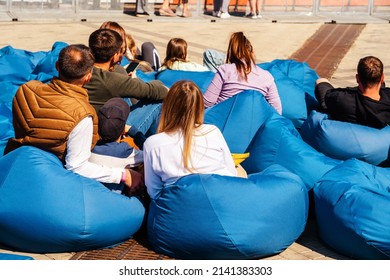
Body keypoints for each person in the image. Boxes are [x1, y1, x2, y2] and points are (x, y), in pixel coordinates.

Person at [4, 44, 144, 192]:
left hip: (15, 164)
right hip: (50, 181)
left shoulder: (25, 90)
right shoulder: (82, 115)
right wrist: (123, 175)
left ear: (57, 66)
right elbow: (77, 166)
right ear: (88, 77)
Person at [143, 80, 239, 200]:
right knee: (240, 170)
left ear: (167, 106)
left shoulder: (153, 144)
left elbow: (155, 193)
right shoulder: (213, 132)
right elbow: (232, 174)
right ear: (200, 107)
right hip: (221, 202)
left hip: (178, 210)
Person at [85, 28, 168, 135]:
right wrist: (157, 83)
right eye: (121, 52)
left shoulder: (81, 71)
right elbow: (155, 91)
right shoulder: (112, 79)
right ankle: (149, 145)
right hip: (108, 133)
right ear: (115, 56)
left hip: (92, 124)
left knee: (125, 98)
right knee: (157, 102)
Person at [203, 32, 282, 114]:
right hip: (252, 123)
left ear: (231, 54)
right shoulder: (267, 76)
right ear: (252, 52)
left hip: (220, 120)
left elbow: (208, 102)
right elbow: (277, 110)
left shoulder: (225, 70)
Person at [90, 98, 147, 195]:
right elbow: (150, 152)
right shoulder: (125, 152)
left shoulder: (87, 146)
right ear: (122, 130)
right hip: (114, 196)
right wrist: (134, 132)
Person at [315, 55, 390, 129]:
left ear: (357, 78)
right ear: (382, 78)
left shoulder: (342, 98)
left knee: (321, 81)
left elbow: (328, 95)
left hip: (349, 127)